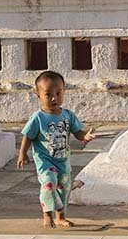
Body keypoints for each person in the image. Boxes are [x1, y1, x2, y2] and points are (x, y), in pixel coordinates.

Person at [17, 71, 95, 228]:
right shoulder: (38, 117)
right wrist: (22, 153)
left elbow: (77, 132)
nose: (54, 98)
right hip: (45, 160)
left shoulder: (67, 115)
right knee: (49, 183)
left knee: (64, 187)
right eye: (48, 94)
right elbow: (28, 136)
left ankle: (60, 216)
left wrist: (85, 136)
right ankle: (47, 214)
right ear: (37, 95)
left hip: (63, 160)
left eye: (58, 93)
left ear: (64, 91)